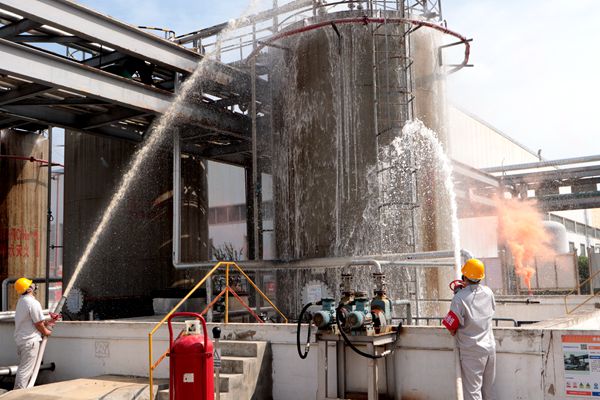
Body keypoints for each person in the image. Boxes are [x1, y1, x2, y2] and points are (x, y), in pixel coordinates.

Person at [442, 259, 496, 400]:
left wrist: (459, 295)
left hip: (472, 351)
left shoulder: (459, 298)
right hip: (490, 348)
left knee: (473, 392)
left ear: (464, 277)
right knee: (488, 390)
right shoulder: (489, 292)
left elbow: (451, 327)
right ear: (480, 277)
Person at [13, 277, 53, 390]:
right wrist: (46, 331)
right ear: (29, 289)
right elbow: (38, 323)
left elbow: (33, 320)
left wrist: (48, 322)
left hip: (23, 341)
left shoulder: (21, 301)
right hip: (30, 342)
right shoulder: (32, 302)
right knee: (25, 371)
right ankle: (17, 394)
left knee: (24, 369)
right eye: (32, 284)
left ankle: (19, 391)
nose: (34, 285)